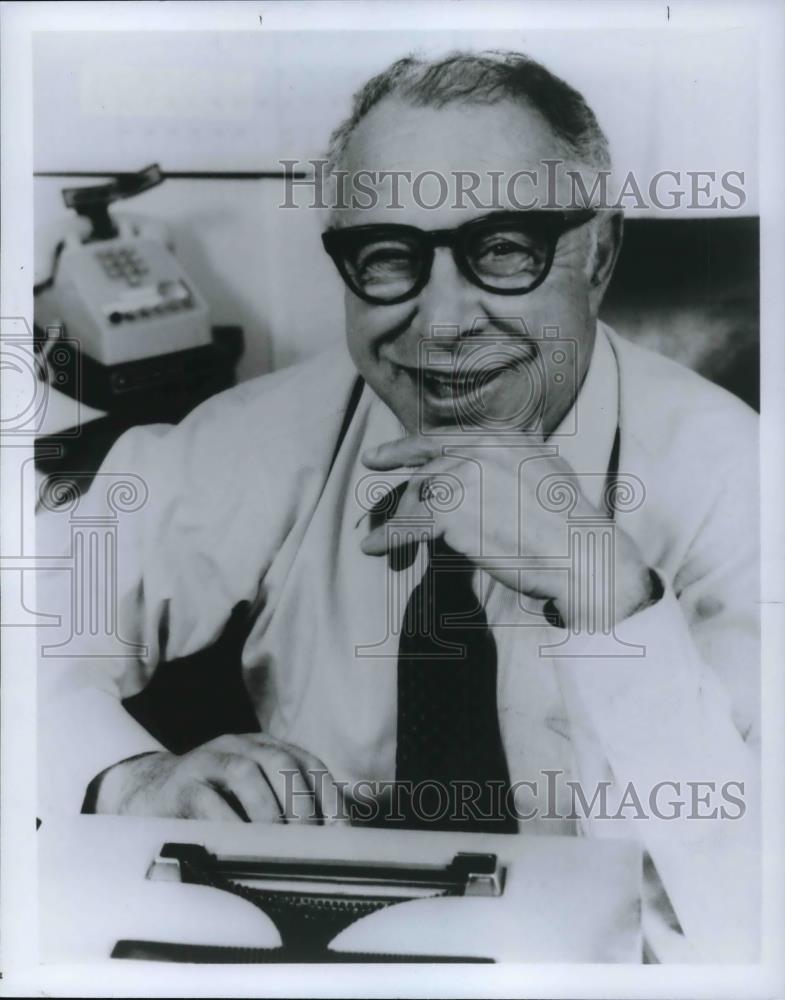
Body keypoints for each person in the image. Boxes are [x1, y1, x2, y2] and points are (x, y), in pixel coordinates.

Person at [36, 51, 759, 961]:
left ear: (599, 253)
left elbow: (749, 924)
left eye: (503, 249)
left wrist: (609, 600)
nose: (443, 321)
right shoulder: (275, 433)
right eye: (388, 256)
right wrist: (123, 778)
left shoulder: (741, 488)